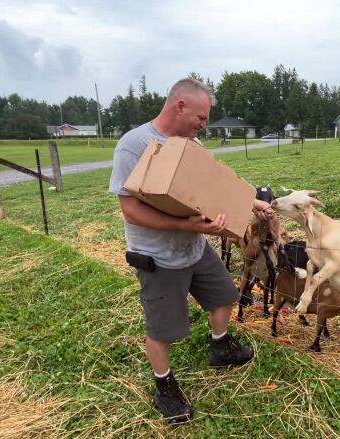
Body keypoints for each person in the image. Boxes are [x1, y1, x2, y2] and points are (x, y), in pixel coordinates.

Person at [108, 77, 274, 423]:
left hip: (194, 246)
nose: (204, 125)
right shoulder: (134, 145)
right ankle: (164, 387)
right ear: (180, 106)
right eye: (201, 117)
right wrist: (186, 226)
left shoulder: (189, 144)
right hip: (158, 255)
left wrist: (253, 201)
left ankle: (220, 347)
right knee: (163, 328)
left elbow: (216, 186)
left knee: (224, 295)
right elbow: (131, 210)